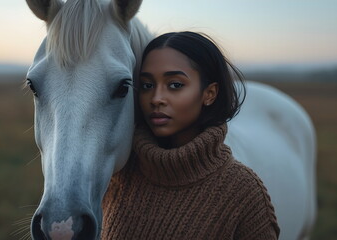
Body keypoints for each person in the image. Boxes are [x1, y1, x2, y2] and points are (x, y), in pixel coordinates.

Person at [102, 31, 280, 239]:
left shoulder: (243, 192)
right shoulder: (119, 173)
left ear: (209, 94)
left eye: (175, 85)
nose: (156, 98)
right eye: (147, 85)